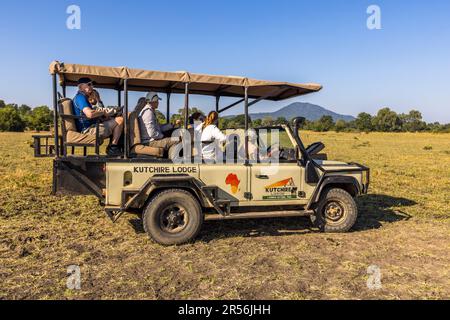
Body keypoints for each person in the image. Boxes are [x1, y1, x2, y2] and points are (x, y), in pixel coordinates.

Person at [72, 78, 124, 156]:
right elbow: (89, 114)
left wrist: (102, 117)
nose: (92, 86)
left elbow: (90, 115)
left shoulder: (83, 98)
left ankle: (114, 146)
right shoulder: (80, 97)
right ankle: (113, 147)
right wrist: (103, 112)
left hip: (91, 126)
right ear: (81, 87)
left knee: (113, 119)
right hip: (88, 130)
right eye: (89, 84)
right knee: (120, 120)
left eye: (92, 84)